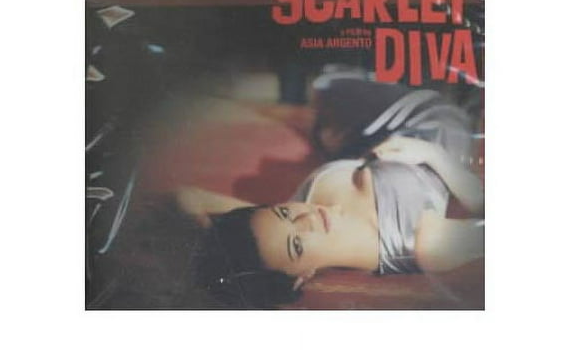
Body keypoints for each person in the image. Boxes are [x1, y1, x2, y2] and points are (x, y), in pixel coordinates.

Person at [179, 75, 484, 308]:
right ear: (301, 277)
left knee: (326, 89)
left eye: (284, 213)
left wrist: (216, 257)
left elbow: (188, 197)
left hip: (361, 133)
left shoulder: (284, 223)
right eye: (297, 245)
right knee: (331, 84)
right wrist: (433, 155)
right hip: (434, 117)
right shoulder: (423, 243)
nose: (306, 219)